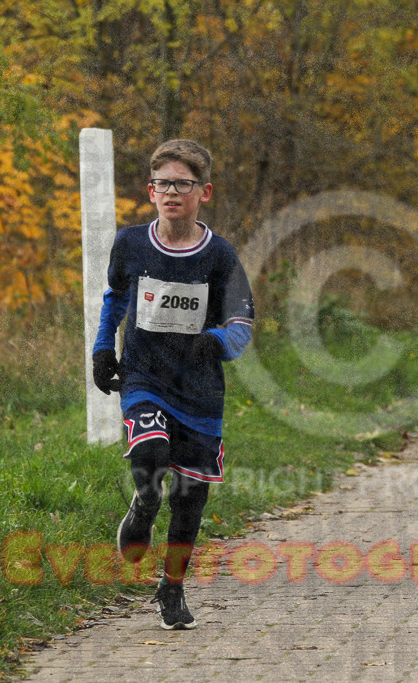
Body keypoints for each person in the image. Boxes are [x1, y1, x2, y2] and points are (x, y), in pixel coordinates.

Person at [92, 139, 255, 630]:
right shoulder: (131, 244)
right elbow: (115, 300)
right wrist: (103, 349)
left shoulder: (221, 256)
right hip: (145, 376)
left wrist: (217, 341)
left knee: (190, 500)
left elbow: (243, 324)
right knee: (151, 452)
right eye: (163, 184)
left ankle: (173, 588)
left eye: (182, 184)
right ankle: (143, 505)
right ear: (150, 190)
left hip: (200, 392)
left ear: (204, 192)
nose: (171, 192)